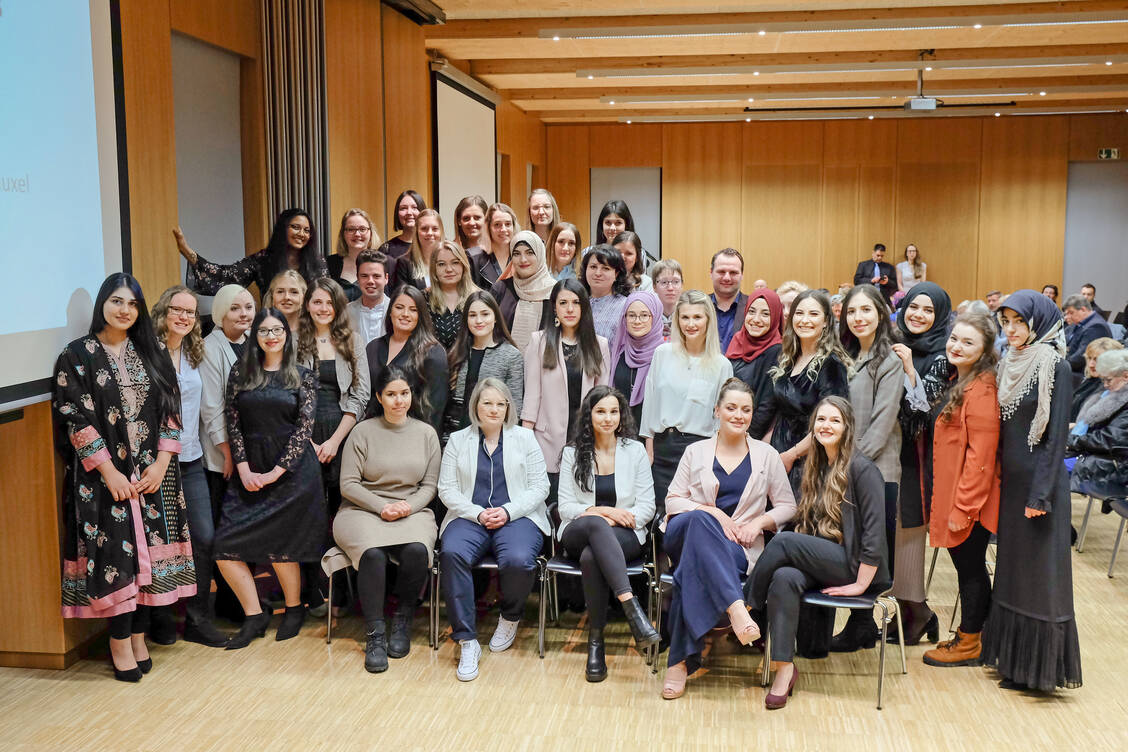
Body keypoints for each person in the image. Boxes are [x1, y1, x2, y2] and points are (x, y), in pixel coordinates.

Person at [53, 273, 194, 681]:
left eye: (132, 304)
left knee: (149, 560)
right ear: (102, 304)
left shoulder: (151, 351)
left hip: (152, 475)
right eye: (117, 301)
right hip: (102, 479)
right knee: (116, 558)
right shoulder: (76, 355)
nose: (124, 310)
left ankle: (138, 636)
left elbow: (171, 409)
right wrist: (111, 472)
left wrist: (162, 464)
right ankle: (118, 642)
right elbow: (72, 415)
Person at [746, 396, 890, 709]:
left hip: (853, 565)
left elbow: (875, 536)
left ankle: (747, 608)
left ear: (848, 427)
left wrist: (861, 584)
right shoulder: (818, 466)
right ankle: (784, 670)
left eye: (835, 420)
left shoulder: (863, 470)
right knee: (784, 577)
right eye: (821, 420)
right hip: (824, 560)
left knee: (783, 543)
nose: (826, 426)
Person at [660, 379, 797, 700]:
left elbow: (788, 506)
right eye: (731, 408)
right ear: (717, 411)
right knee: (696, 521)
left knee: (688, 574)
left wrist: (761, 522)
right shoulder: (696, 451)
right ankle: (737, 609)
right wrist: (713, 513)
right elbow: (672, 500)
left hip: (737, 547)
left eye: (746, 409)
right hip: (684, 535)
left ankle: (679, 663)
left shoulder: (767, 455)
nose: (739, 414)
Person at [983, 290, 1082, 692]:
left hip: (1039, 492)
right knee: (1012, 575)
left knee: (1041, 580)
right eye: (1006, 322)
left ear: (1037, 322)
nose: (1011, 330)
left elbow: (1055, 437)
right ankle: (1014, 664)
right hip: (1012, 487)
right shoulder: (1009, 362)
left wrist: (1040, 495)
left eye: (1019, 322)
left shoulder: (1054, 365)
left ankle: (1040, 674)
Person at [213, 309, 325, 649]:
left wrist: (277, 472)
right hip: (249, 470)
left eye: (277, 330)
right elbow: (233, 421)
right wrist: (244, 467)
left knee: (283, 547)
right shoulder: (241, 372)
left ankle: (294, 608)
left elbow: (304, 429)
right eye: (264, 331)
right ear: (255, 337)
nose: (271, 336)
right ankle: (254, 614)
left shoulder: (302, 375)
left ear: (286, 335)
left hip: (291, 472)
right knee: (223, 547)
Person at [438, 379, 551, 681]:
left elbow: (541, 486)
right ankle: (467, 640)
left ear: (509, 408)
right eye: (488, 402)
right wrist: (477, 513)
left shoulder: (525, 438)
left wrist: (507, 511)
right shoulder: (459, 440)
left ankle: (510, 616)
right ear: (475, 405)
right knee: (451, 553)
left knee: (517, 559)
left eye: (501, 403)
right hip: (469, 516)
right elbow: (446, 489)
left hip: (517, 516)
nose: (494, 409)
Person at [333, 368, 440, 672]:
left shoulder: (426, 434)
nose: (398, 401)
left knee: (418, 550)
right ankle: (375, 633)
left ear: (411, 395)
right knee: (373, 554)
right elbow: (349, 485)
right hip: (362, 509)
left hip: (412, 508)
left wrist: (407, 507)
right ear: (379, 397)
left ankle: (403, 619)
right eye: (391, 394)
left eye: (404, 393)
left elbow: (430, 486)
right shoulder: (363, 431)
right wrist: (381, 507)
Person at [557, 386, 661, 682]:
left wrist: (613, 520)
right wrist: (609, 513)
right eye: (600, 411)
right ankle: (631, 608)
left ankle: (596, 642)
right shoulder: (572, 453)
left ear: (621, 415)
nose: (607, 418)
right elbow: (565, 507)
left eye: (613, 411)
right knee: (594, 530)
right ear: (588, 415)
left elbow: (646, 506)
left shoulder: (635, 450)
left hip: (624, 535)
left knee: (593, 557)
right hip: (578, 530)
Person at [834, 285, 914, 647]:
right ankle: (859, 625)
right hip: (846, 468)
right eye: (852, 312)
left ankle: (864, 624)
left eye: (866, 310)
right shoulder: (846, 356)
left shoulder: (889, 361)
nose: (859, 318)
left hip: (875, 470)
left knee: (872, 548)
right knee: (851, 547)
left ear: (881, 314)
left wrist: (849, 467)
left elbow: (882, 425)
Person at [922, 312, 1001, 667]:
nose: (956, 345)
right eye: (954, 338)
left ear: (984, 349)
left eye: (968, 342)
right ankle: (971, 635)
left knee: (970, 569)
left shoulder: (983, 389)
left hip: (970, 502)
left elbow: (981, 460)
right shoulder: (962, 379)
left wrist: (963, 509)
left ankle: (971, 641)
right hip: (956, 496)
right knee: (967, 567)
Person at [151, 286, 227, 648]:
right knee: (161, 543)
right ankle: (161, 618)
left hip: (191, 459)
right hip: (155, 465)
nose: (183, 317)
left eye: (191, 312)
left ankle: (197, 619)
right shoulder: (146, 354)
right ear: (162, 312)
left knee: (204, 537)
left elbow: (208, 407)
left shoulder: (196, 353)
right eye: (176, 310)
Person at [885, 282, 956, 648]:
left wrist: (910, 368)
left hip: (918, 456)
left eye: (928, 311)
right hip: (886, 450)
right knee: (888, 531)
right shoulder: (892, 342)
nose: (919, 315)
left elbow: (922, 411)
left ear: (940, 315)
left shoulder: (944, 354)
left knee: (908, 528)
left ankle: (916, 611)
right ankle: (908, 609)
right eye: (914, 307)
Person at [297, 278, 371, 610]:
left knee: (341, 515)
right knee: (309, 516)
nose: (323, 308)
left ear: (338, 307)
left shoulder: (352, 341)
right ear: (307, 306)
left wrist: (333, 441)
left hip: (342, 432)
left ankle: (342, 593)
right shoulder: (295, 341)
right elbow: (288, 393)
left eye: (329, 303)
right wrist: (309, 442)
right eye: (317, 302)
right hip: (303, 436)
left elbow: (360, 395)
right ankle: (311, 593)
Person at [640, 290, 734, 516]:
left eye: (697, 317)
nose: (691, 324)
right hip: (662, 448)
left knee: (691, 517)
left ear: (708, 320)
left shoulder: (721, 365)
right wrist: (649, 452)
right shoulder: (662, 353)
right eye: (685, 317)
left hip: (699, 450)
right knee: (660, 516)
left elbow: (722, 420)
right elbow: (650, 404)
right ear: (677, 320)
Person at [749, 289, 850, 492]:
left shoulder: (831, 365)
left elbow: (829, 425)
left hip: (811, 461)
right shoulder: (788, 359)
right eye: (799, 313)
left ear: (826, 322)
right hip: (780, 454)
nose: (805, 320)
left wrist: (792, 455)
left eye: (813, 314)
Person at [522, 279, 611, 496]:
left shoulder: (599, 345)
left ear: (584, 307)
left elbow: (602, 398)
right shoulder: (539, 341)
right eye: (563, 303)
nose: (569, 309)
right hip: (546, 437)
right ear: (554, 307)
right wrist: (525, 439)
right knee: (547, 501)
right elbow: (532, 394)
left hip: (585, 436)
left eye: (576, 302)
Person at [198, 286, 256, 620]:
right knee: (226, 529)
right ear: (221, 312)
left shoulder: (255, 341)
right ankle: (230, 605)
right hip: (224, 458)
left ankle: (247, 601)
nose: (244, 314)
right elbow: (211, 408)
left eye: (248, 307)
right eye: (235, 309)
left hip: (253, 454)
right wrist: (229, 452)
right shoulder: (210, 347)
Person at [175, 208, 327, 296]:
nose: (302, 234)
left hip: (308, 331)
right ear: (282, 228)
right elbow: (225, 275)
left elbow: (327, 297)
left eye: (307, 230)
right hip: (272, 328)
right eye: (295, 227)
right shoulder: (263, 260)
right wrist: (186, 250)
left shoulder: (318, 263)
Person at [366, 285, 449, 436]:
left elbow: (435, 409)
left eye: (413, 309)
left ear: (421, 315)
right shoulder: (372, 348)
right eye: (399, 307)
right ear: (390, 311)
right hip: (374, 433)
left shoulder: (433, 352)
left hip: (413, 437)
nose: (405, 314)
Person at [444, 291, 524, 443]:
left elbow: (515, 408)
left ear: (495, 318)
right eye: (472, 315)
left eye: (485, 314)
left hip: (493, 438)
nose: (478, 320)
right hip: (456, 435)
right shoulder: (455, 353)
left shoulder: (511, 356)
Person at [1068, 349, 1128, 501]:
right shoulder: (1113, 393)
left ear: (1126, 376)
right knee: (1045, 459)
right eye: (1103, 380)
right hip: (1096, 454)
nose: (1105, 385)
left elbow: (1110, 439)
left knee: (1049, 467)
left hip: (1114, 464)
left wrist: (1074, 441)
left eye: (1108, 380)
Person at [490, 230, 555, 351]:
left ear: (540, 254)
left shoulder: (555, 292)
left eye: (530, 252)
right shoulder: (501, 289)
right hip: (504, 366)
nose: (523, 260)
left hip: (544, 365)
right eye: (516, 254)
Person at [609, 291, 664, 428]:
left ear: (655, 317)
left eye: (644, 315)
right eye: (631, 315)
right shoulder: (619, 352)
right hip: (620, 433)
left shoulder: (664, 355)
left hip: (654, 437)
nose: (637, 321)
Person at [726, 288, 784, 410]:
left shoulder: (776, 351)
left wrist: (747, 429)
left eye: (765, 314)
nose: (756, 319)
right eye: (751, 311)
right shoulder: (737, 340)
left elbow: (767, 405)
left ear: (775, 317)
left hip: (750, 425)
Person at [427, 240, 479, 350]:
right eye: (441, 264)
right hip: (432, 365)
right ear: (434, 269)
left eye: (455, 262)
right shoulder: (423, 299)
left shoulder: (479, 298)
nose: (449, 269)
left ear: (463, 265)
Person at [580, 244, 631, 341]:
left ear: (616, 274)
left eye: (606, 268)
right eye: (593, 267)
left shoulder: (626, 306)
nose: (598, 273)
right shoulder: (576, 303)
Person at [328, 208, 380, 302]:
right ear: (343, 234)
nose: (357, 234)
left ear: (370, 233)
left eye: (362, 229)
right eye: (351, 229)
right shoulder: (329, 263)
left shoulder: (382, 263)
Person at [1063, 294, 1113, 388]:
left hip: (1085, 374)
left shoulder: (1096, 326)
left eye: (1071, 312)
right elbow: (1064, 342)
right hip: (1074, 369)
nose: (1067, 316)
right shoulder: (1080, 323)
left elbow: (1080, 358)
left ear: (1083, 309)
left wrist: (1060, 364)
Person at [1071, 337, 1124, 421]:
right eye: (1089, 358)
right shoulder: (1089, 381)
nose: (1091, 364)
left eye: (1097, 359)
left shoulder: (1113, 388)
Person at [347, 250, 391, 346]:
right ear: (357, 279)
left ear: (386, 278)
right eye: (364, 276)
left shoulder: (397, 311)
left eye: (376, 276)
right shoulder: (345, 313)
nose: (370, 281)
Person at [393, 208, 443, 292]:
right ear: (416, 232)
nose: (430, 233)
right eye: (424, 228)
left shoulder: (451, 259)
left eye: (435, 229)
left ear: (441, 232)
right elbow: (403, 297)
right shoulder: (404, 263)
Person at [473, 203, 519, 289]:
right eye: (497, 224)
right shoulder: (474, 258)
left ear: (514, 227)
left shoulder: (521, 256)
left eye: (508, 224)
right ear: (488, 228)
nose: (503, 229)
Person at [709, 248, 748, 351]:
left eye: (733, 273)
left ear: (742, 275)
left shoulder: (752, 308)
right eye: (721, 272)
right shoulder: (698, 306)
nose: (727, 278)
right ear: (711, 273)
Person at [378, 189, 426, 263]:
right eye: (403, 208)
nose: (409, 212)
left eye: (414, 208)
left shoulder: (432, 245)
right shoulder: (387, 249)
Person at [650, 259, 684, 339]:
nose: (670, 288)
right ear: (654, 286)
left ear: (682, 284)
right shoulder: (647, 315)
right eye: (664, 282)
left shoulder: (689, 314)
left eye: (676, 282)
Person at [454, 195, 490, 261]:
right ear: (459, 221)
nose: (472, 223)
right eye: (466, 218)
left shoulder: (496, 251)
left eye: (477, 218)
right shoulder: (451, 252)